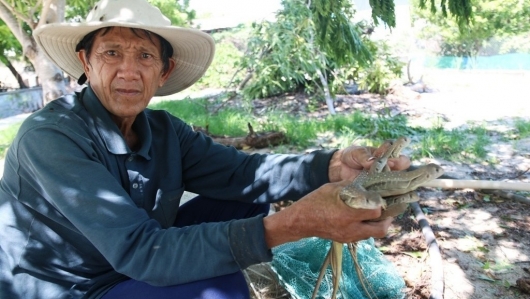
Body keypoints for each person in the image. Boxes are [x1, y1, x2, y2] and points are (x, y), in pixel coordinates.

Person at [0, 0, 410, 298]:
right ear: (85, 63)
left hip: (131, 259)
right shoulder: (51, 137)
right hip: (73, 288)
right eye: (111, 53)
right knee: (221, 289)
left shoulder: (164, 131)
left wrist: (334, 167)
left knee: (247, 198)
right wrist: (297, 223)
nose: (128, 70)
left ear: (164, 72)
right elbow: (142, 252)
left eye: (144, 55)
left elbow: (245, 175)